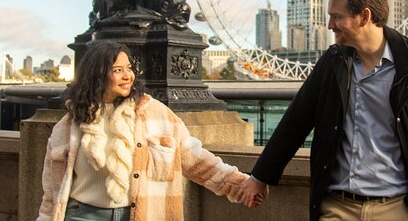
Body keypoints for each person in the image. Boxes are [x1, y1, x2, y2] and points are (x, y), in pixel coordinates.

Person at [241, 0, 408, 220]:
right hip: (338, 208)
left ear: (365, 17)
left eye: (337, 17)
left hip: (399, 208)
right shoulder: (332, 63)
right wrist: (260, 177)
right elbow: (295, 122)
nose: (329, 25)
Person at [37, 41, 249, 221]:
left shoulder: (155, 113)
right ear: (97, 75)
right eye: (118, 70)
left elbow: (195, 158)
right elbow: (50, 194)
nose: (128, 75)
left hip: (140, 214)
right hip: (81, 215)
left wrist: (240, 185)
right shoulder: (67, 126)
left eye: (129, 68)